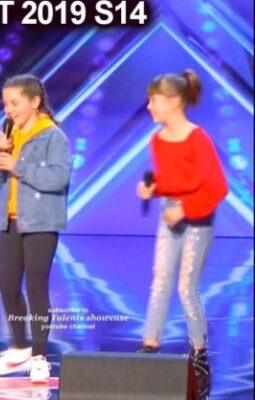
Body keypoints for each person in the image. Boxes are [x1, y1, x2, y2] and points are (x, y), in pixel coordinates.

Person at [137, 69, 227, 398]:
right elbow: (173, 179)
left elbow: (216, 187)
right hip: (170, 213)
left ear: (174, 102)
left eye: (154, 100)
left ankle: (199, 353)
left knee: (186, 287)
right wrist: (154, 189)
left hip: (197, 216)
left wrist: (185, 209)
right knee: (160, 280)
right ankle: (149, 346)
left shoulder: (198, 138)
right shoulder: (158, 140)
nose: (149, 106)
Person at [0, 74, 71, 383]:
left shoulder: (52, 136)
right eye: (5, 104)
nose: (8, 110)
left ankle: (40, 357)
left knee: (36, 287)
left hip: (41, 223)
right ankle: (19, 347)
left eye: (14, 103)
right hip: (9, 221)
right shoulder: (11, 134)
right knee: (7, 285)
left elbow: (58, 178)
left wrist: (17, 165)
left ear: (34, 102)